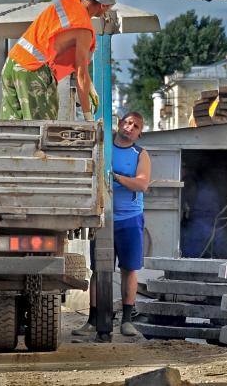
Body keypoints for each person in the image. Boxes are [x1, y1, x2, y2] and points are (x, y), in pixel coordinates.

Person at [72, 111, 151, 338]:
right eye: (127, 123)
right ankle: (93, 320)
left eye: (135, 126)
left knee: (129, 269)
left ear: (139, 132)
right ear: (119, 124)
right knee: (99, 269)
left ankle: (127, 320)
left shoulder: (140, 154)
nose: (130, 127)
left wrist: (115, 178)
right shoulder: (105, 147)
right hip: (103, 218)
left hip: (130, 219)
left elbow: (141, 184)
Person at [0, 0, 117, 120]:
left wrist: (89, 85)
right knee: (41, 130)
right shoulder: (84, 28)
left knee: (10, 130)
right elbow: (81, 74)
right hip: (32, 71)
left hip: (11, 64)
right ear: (104, 6)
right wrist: (88, 116)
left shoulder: (66, 4)